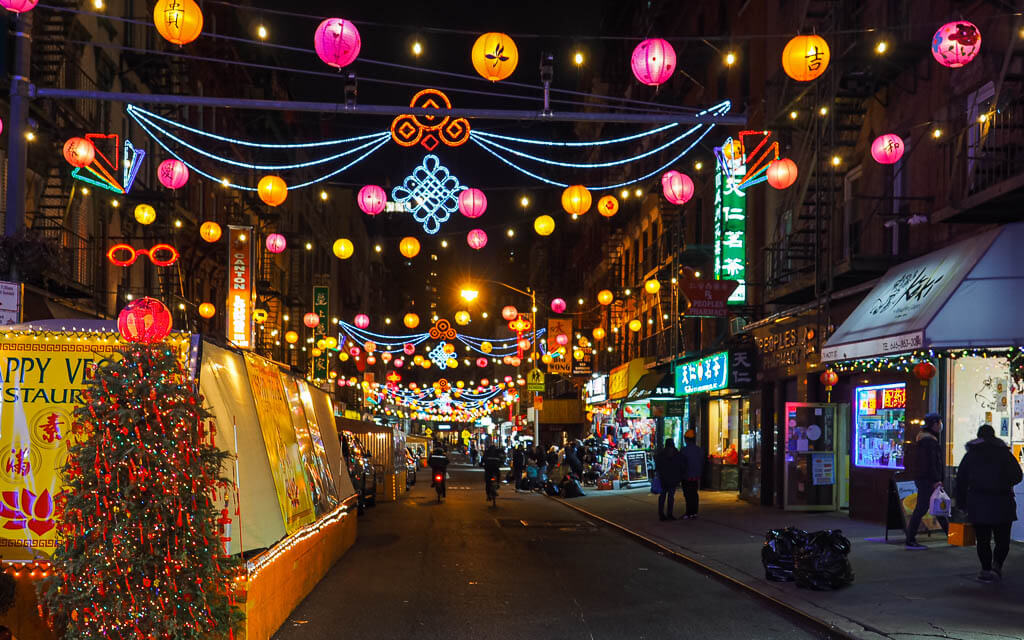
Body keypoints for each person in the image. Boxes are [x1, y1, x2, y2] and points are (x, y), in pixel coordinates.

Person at [955, 424, 1023, 582]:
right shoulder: (1003, 453)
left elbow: (961, 480)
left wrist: (961, 504)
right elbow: (1017, 475)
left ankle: (985, 569)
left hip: (979, 502)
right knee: (1002, 539)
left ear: (979, 436)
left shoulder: (971, 454)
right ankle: (997, 566)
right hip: (1002, 501)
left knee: (983, 539)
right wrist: (1004, 483)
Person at [906, 413, 950, 549]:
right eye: (939, 423)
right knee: (922, 508)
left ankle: (952, 536)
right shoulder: (929, 442)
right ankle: (910, 539)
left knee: (938, 507)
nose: (941, 426)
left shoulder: (924, 440)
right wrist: (936, 480)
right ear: (935, 424)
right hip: (928, 480)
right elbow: (931, 463)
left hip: (924, 479)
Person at [654, 438, 683, 521]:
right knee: (670, 497)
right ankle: (669, 514)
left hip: (664, 479)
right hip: (672, 479)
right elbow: (679, 465)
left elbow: (658, 465)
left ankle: (661, 514)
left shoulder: (662, 454)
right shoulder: (676, 454)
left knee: (662, 497)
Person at [680, 430, 704, 518]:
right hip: (696, 476)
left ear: (686, 439)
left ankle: (689, 512)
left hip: (687, 476)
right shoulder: (699, 450)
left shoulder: (684, 450)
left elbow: (682, 464)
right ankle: (694, 512)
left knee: (688, 495)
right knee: (694, 494)